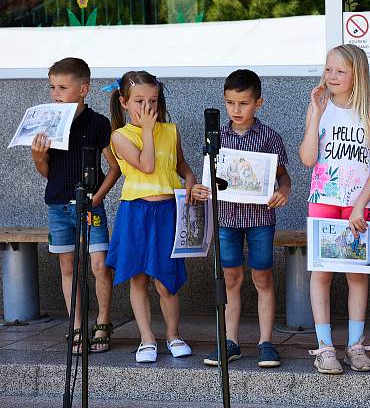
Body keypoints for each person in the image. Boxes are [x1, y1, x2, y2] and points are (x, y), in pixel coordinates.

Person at [191, 69, 291, 368]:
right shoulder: (215, 137)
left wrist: (283, 192)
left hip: (260, 218)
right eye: (230, 103)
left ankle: (266, 343)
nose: (236, 110)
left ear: (258, 103)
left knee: (262, 277)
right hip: (226, 220)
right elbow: (208, 179)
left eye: (243, 103)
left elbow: (284, 178)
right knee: (231, 278)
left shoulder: (270, 137)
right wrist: (198, 189)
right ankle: (230, 341)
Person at [299, 44, 370, 374]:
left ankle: (355, 344)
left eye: (340, 70)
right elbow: (308, 158)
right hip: (323, 199)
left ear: (357, 74)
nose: (331, 76)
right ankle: (324, 347)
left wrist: (360, 204)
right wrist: (315, 114)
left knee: (356, 273)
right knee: (320, 273)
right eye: (328, 69)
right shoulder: (320, 109)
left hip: (357, 205)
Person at [105, 71, 198, 363]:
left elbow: (180, 163)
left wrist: (190, 179)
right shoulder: (119, 136)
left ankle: (173, 334)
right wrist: (146, 128)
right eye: (139, 101)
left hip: (168, 210)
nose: (147, 107)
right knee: (138, 278)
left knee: (165, 280)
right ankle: (146, 338)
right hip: (136, 211)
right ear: (123, 102)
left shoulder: (170, 130)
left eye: (153, 101)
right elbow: (146, 165)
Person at [31, 57, 120, 354]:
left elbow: (115, 167)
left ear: (83, 89)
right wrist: (38, 156)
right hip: (58, 205)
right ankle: (77, 326)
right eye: (52, 87)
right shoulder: (48, 123)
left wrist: (99, 196)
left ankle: (103, 322)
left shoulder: (97, 123)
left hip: (90, 204)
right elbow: (48, 172)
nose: (56, 93)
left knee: (99, 264)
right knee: (67, 265)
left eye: (62, 87)